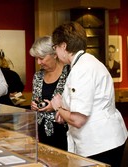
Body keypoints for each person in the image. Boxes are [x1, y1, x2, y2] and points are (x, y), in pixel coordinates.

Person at [51, 21, 127, 167]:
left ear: (64, 46)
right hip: (108, 139)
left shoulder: (81, 70)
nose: (55, 52)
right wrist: (65, 113)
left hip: (99, 144)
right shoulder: (89, 62)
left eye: (55, 47)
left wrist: (58, 107)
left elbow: (78, 119)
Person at [29, 36, 70, 151]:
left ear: (54, 54)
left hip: (64, 133)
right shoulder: (38, 76)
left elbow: (78, 106)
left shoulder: (70, 73)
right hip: (42, 135)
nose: (38, 62)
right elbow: (35, 100)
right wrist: (34, 106)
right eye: (36, 58)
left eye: (41, 58)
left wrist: (55, 107)